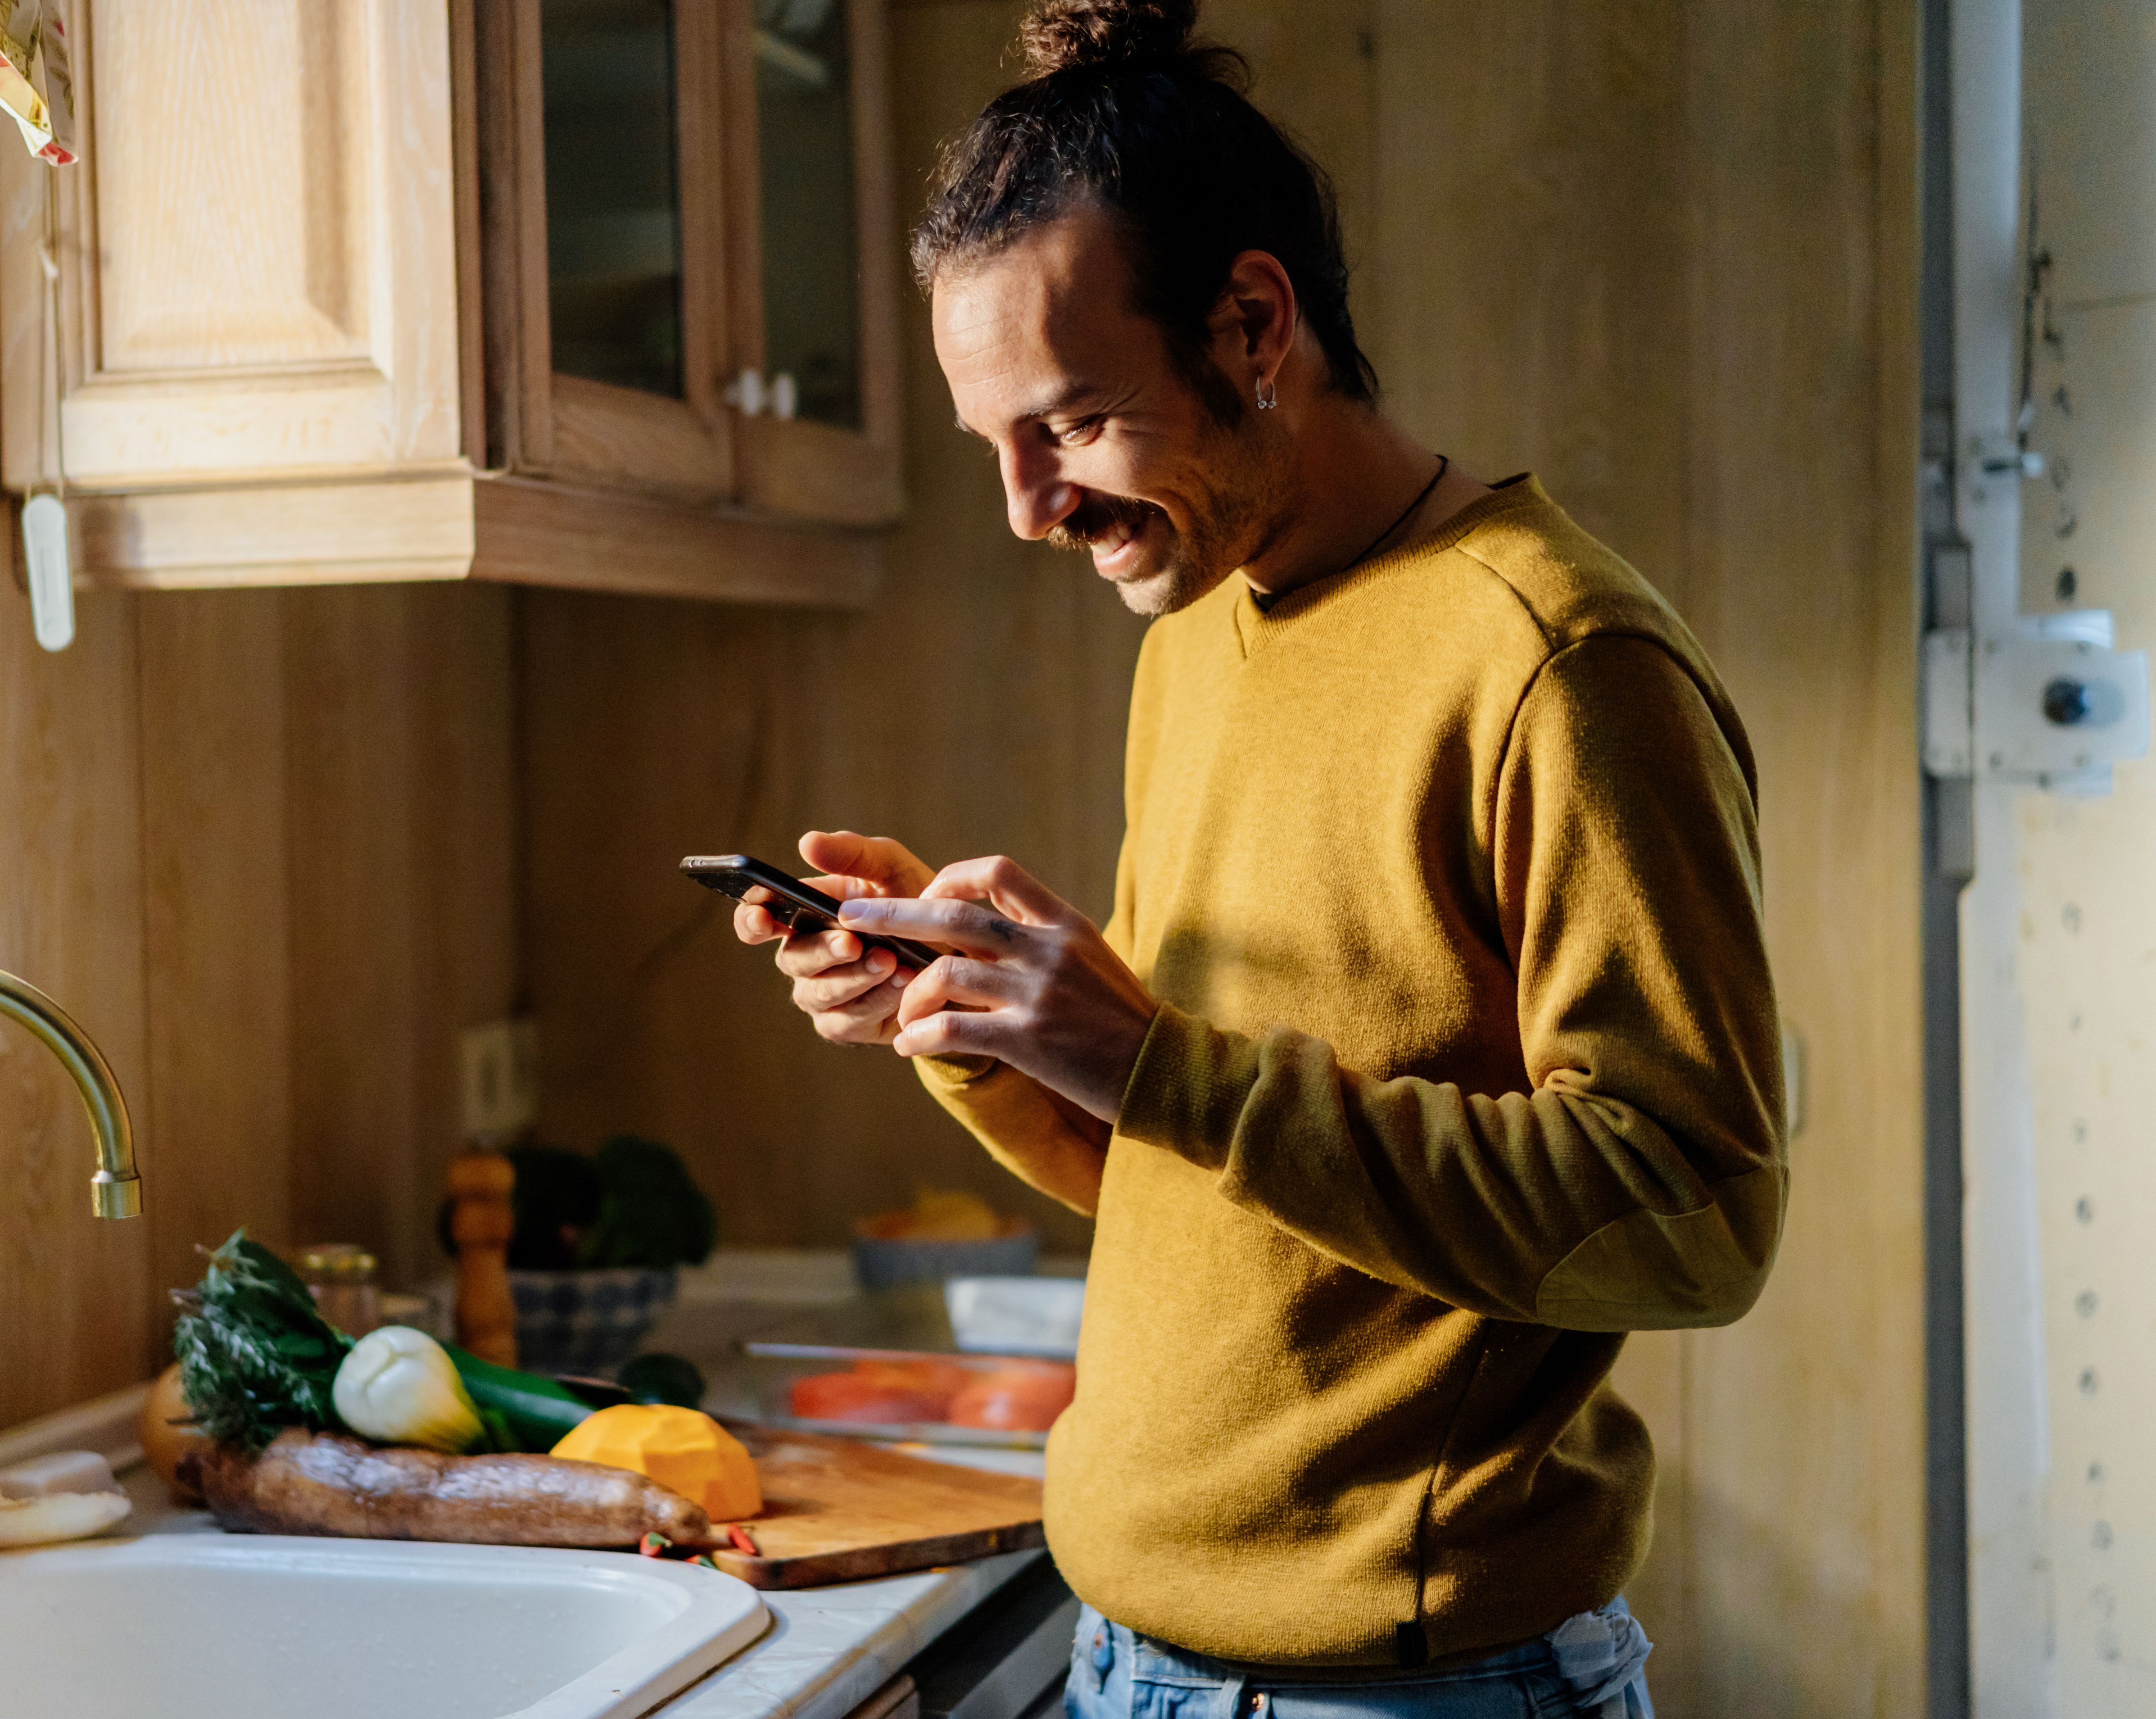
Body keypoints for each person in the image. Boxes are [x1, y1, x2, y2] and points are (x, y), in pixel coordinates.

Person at [731, 0, 1784, 1714]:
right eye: (988, 445)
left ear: (1253, 323)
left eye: (1065, 425)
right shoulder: (1198, 637)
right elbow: (1201, 1183)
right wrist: (980, 1021)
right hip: (1134, 1660)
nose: (1023, 507)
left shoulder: (1561, 664)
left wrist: (1156, 1061)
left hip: (1409, 1684)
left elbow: (1697, 1216)